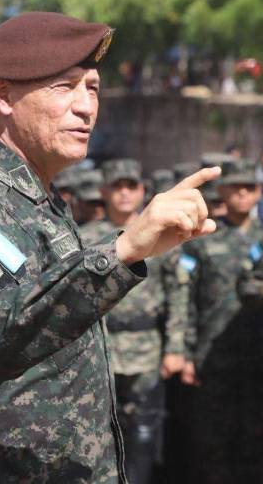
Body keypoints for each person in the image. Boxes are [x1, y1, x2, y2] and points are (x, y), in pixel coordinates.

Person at [0, 11, 219, 482]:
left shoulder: (35, 199)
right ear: (3, 94)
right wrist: (121, 252)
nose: (86, 107)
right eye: (63, 87)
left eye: (92, 87)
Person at [79, 158, 187, 484]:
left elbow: (178, 294)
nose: (124, 194)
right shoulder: (86, 238)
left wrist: (176, 347)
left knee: (143, 432)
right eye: (117, 187)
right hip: (101, 349)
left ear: (143, 190)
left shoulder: (163, 236)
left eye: (131, 186)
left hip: (147, 349)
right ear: (103, 191)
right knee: (98, 431)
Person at [180, 159, 263, 484]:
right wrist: (188, 351)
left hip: (261, 353)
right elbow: (188, 298)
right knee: (212, 439)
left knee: (257, 435)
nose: (242, 195)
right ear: (221, 192)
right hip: (213, 354)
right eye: (234, 188)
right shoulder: (203, 238)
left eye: (249, 188)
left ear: (259, 192)